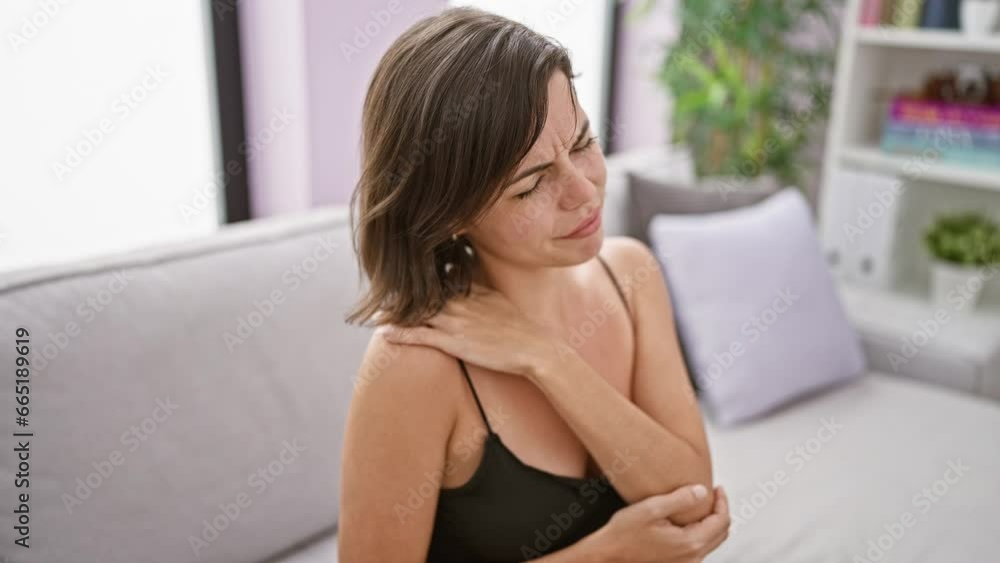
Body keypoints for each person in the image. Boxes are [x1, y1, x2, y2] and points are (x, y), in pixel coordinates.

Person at [340, 7, 729, 562]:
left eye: (582, 143)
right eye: (530, 186)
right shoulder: (414, 363)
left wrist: (546, 358)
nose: (584, 191)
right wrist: (606, 555)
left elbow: (693, 510)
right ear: (452, 213)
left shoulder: (631, 275)